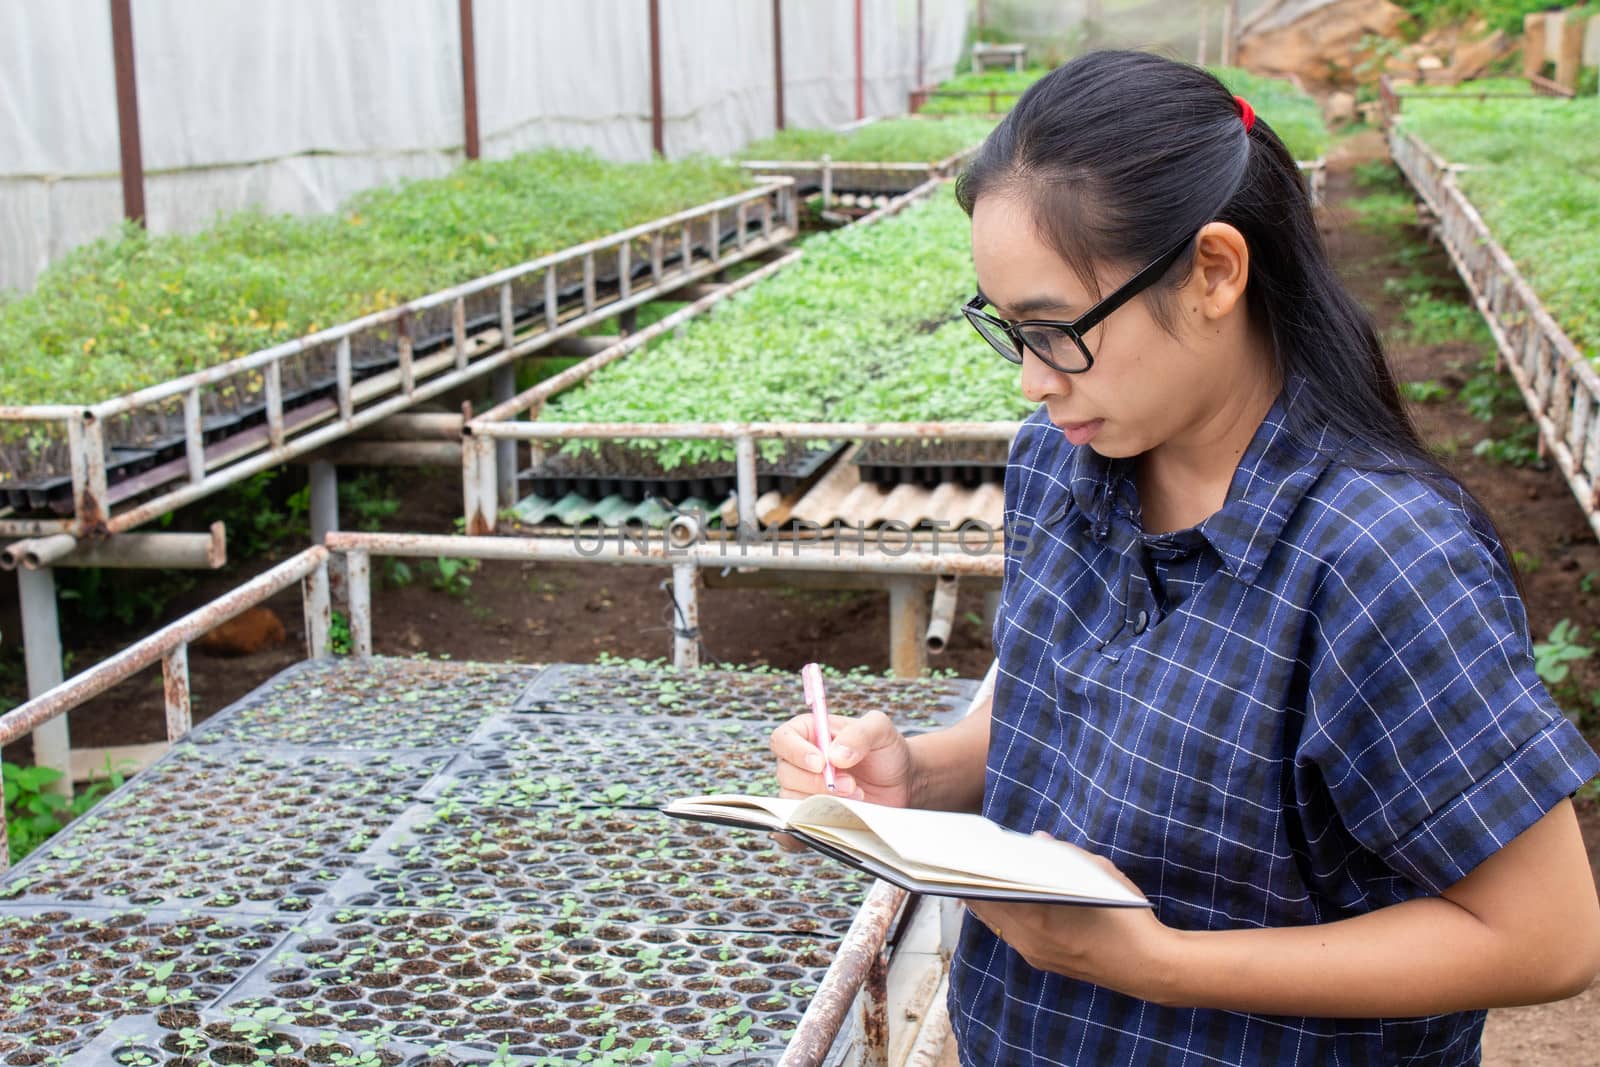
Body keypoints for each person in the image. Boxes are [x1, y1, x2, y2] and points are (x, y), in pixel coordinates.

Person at [769, 50, 1600, 1065]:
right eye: (1007, 330)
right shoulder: (1062, 465)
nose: (1033, 380)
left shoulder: (1377, 558)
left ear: (1212, 271)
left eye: (1056, 330)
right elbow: (1061, 713)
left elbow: (1545, 937)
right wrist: (917, 771)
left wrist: (1153, 961)